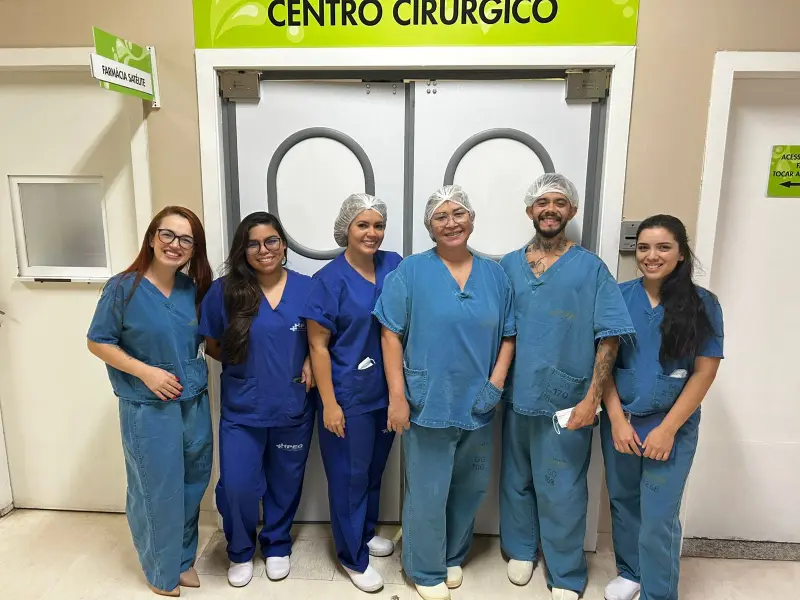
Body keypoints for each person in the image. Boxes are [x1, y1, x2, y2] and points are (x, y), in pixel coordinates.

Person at [373, 185, 516, 600]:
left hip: (479, 400)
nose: (451, 223)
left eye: (459, 214)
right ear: (429, 226)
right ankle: (425, 568)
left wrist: (496, 383)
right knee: (428, 490)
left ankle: (452, 555)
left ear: (472, 219)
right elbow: (390, 334)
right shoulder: (412, 272)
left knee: (470, 486)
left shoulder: (495, 276)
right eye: (441, 216)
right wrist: (398, 397)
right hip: (428, 399)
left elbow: (509, 335)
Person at [498, 173, 635, 600]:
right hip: (516, 395)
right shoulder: (508, 266)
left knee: (563, 487)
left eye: (559, 202)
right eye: (542, 202)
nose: (550, 209)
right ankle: (521, 549)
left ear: (572, 211)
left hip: (568, 400)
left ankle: (565, 571)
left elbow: (609, 336)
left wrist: (592, 399)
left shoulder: (591, 268)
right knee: (516, 478)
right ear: (530, 210)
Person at [87, 206, 214, 597]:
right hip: (148, 405)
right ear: (152, 237)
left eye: (186, 239)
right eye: (168, 234)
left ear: (194, 248)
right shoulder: (123, 288)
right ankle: (161, 571)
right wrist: (146, 372)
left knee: (193, 482)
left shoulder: (193, 291)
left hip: (193, 400)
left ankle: (182, 560)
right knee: (158, 489)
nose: (175, 244)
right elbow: (98, 341)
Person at [600, 215, 724, 600]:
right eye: (644, 247)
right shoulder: (617, 297)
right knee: (623, 502)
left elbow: (704, 372)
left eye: (663, 247)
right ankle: (631, 572)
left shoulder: (704, 305)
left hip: (672, 426)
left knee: (658, 516)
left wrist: (667, 430)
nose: (651, 256)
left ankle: (658, 591)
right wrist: (617, 421)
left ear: (681, 253)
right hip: (622, 420)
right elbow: (603, 364)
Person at [199, 212, 315, 588]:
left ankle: (277, 544)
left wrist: (310, 361)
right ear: (243, 250)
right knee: (238, 485)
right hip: (243, 408)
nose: (263, 250)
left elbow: (321, 339)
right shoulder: (224, 291)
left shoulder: (307, 288)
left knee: (285, 481)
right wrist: (248, 366)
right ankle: (239, 549)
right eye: (253, 243)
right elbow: (212, 343)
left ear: (284, 245)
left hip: (292, 404)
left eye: (271, 241)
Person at [301, 193, 402, 593]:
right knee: (348, 477)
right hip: (347, 394)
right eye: (363, 225)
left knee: (374, 470)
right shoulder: (328, 280)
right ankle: (351, 556)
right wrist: (329, 404)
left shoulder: (393, 265)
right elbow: (317, 346)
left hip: (386, 391)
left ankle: (365, 531)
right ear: (346, 228)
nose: (372, 233)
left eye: (378, 225)